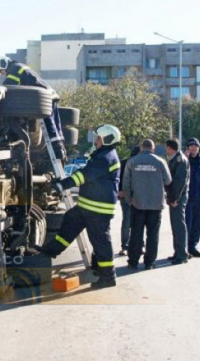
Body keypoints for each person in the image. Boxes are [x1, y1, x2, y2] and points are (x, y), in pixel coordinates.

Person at [35, 124, 122, 289]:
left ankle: (108, 277)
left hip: (98, 209)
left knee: (100, 242)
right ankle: (51, 250)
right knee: (70, 221)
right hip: (87, 207)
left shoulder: (106, 157)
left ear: (106, 139)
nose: (96, 140)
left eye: (98, 138)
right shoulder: (102, 155)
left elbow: (84, 176)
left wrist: (62, 185)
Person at [0, 56, 66, 161]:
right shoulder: (20, 67)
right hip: (51, 95)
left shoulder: (14, 69)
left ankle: (58, 152)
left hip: (44, 99)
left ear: (3, 66)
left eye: (1, 71)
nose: (3, 74)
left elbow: (8, 86)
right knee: (57, 127)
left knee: (50, 126)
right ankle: (62, 149)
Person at [123, 139, 172, 270]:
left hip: (137, 203)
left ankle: (133, 261)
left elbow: (126, 183)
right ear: (153, 148)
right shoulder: (160, 161)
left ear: (141, 148)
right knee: (153, 234)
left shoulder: (132, 161)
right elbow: (168, 181)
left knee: (136, 233)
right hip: (156, 204)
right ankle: (149, 262)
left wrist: (129, 199)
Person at [165, 139, 190, 265]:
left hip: (178, 198)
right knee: (175, 225)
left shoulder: (181, 160)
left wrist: (175, 199)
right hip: (174, 197)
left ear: (170, 148)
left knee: (179, 225)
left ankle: (182, 254)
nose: (166, 150)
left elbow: (180, 182)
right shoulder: (175, 159)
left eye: (166, 148)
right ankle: (178, 252)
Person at [117, 146, 140, 256]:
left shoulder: (139, 164)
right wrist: (119, 191)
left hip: (138, 196)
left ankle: (138, 245)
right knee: (127, 221)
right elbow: (117, 179)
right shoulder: (123, 163)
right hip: (126, 196)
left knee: (138, 221)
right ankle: (125, 246)